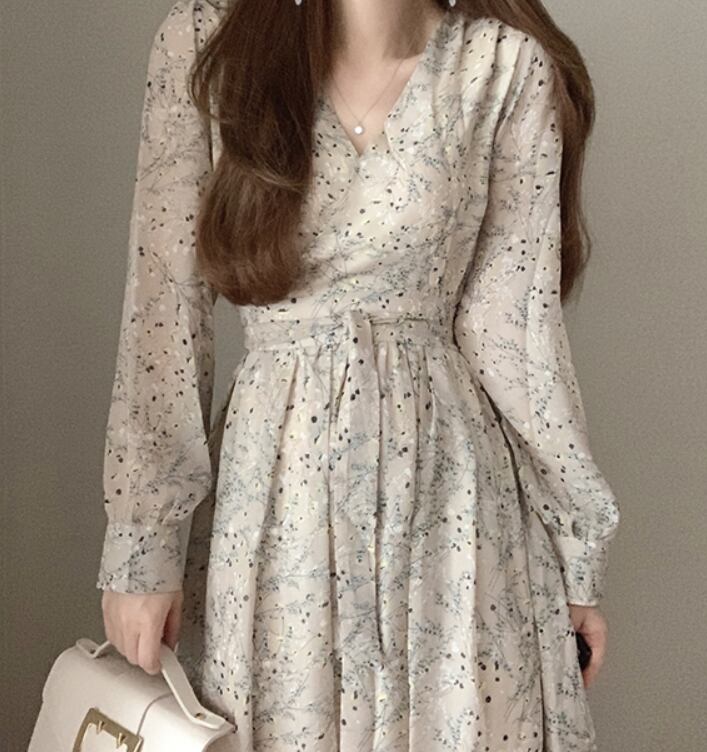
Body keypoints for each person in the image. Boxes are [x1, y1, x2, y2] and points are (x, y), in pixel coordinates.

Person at [97, 0, 621, 749]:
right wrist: (142, 547)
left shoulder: (501, 67)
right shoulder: (208, 45)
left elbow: (517, 341)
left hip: (454, 516)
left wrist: (574, 553)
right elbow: (162, 317)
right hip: (274, 505)